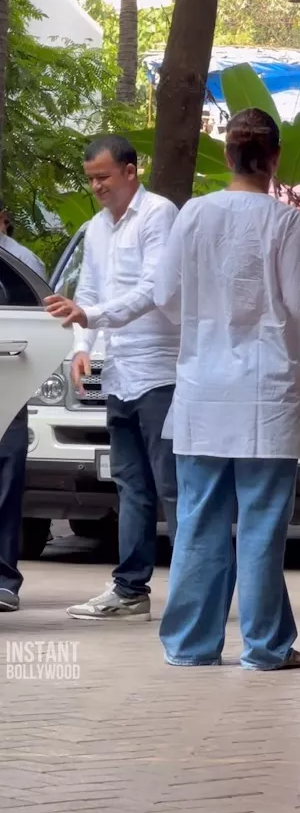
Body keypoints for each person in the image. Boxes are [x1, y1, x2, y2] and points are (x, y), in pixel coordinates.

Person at [153, 107, 300, 670]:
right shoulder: (284, 222)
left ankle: (190, 645)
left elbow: (166, 297)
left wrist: (208, 319)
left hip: (202, 391)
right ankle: (265, 647)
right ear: (275, 157)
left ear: (227, 154)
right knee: (262, 525)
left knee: (198, 522)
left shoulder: (192, 215)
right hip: (265, 394)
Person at [45, 136, 179, 621]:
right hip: (119, 371)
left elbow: (154, 288)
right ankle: (130, 589)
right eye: (91, 179)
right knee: (130, 485)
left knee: (173, 486)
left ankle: (195, 592)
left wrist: (93, 316)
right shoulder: (96, 228)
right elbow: (87, 290)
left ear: (130, 171)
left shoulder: (159, 214)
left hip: (161, 371)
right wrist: (83, 347)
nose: (97, 186)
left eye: (103, 176)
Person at [0, 201, 46, 612]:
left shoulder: (22, 265)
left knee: (7, 481)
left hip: (9, 382)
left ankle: (3, 581)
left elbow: (44, 324)